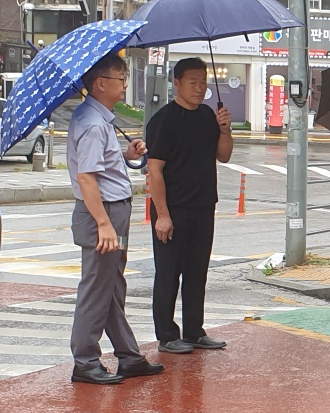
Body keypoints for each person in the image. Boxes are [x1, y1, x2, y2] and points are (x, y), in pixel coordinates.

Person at [66, 53, 163, 386]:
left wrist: (126, 155)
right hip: (103, 214)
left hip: (112, 210)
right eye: (121, 80)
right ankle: (85, 360)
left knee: (111, 283)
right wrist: (104, 224)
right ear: (101, 84)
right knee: (97, 286)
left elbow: (100, 163)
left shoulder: (98, 119)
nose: (124, 86)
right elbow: (87, 178)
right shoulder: (93, 123)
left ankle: (128, 355)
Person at [145, 56, 233, 355]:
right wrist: (163, 215)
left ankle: (194, 330)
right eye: (193, 83)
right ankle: (167, 335)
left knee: (197, 271)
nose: (199, 89)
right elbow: (154, 171)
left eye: (203, 83)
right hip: (172, 208)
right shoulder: (163, 120)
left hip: (203, 206)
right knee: (169, 273)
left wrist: (224, 129)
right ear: (177, 83)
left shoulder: (208, 116)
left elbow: (224, 156)